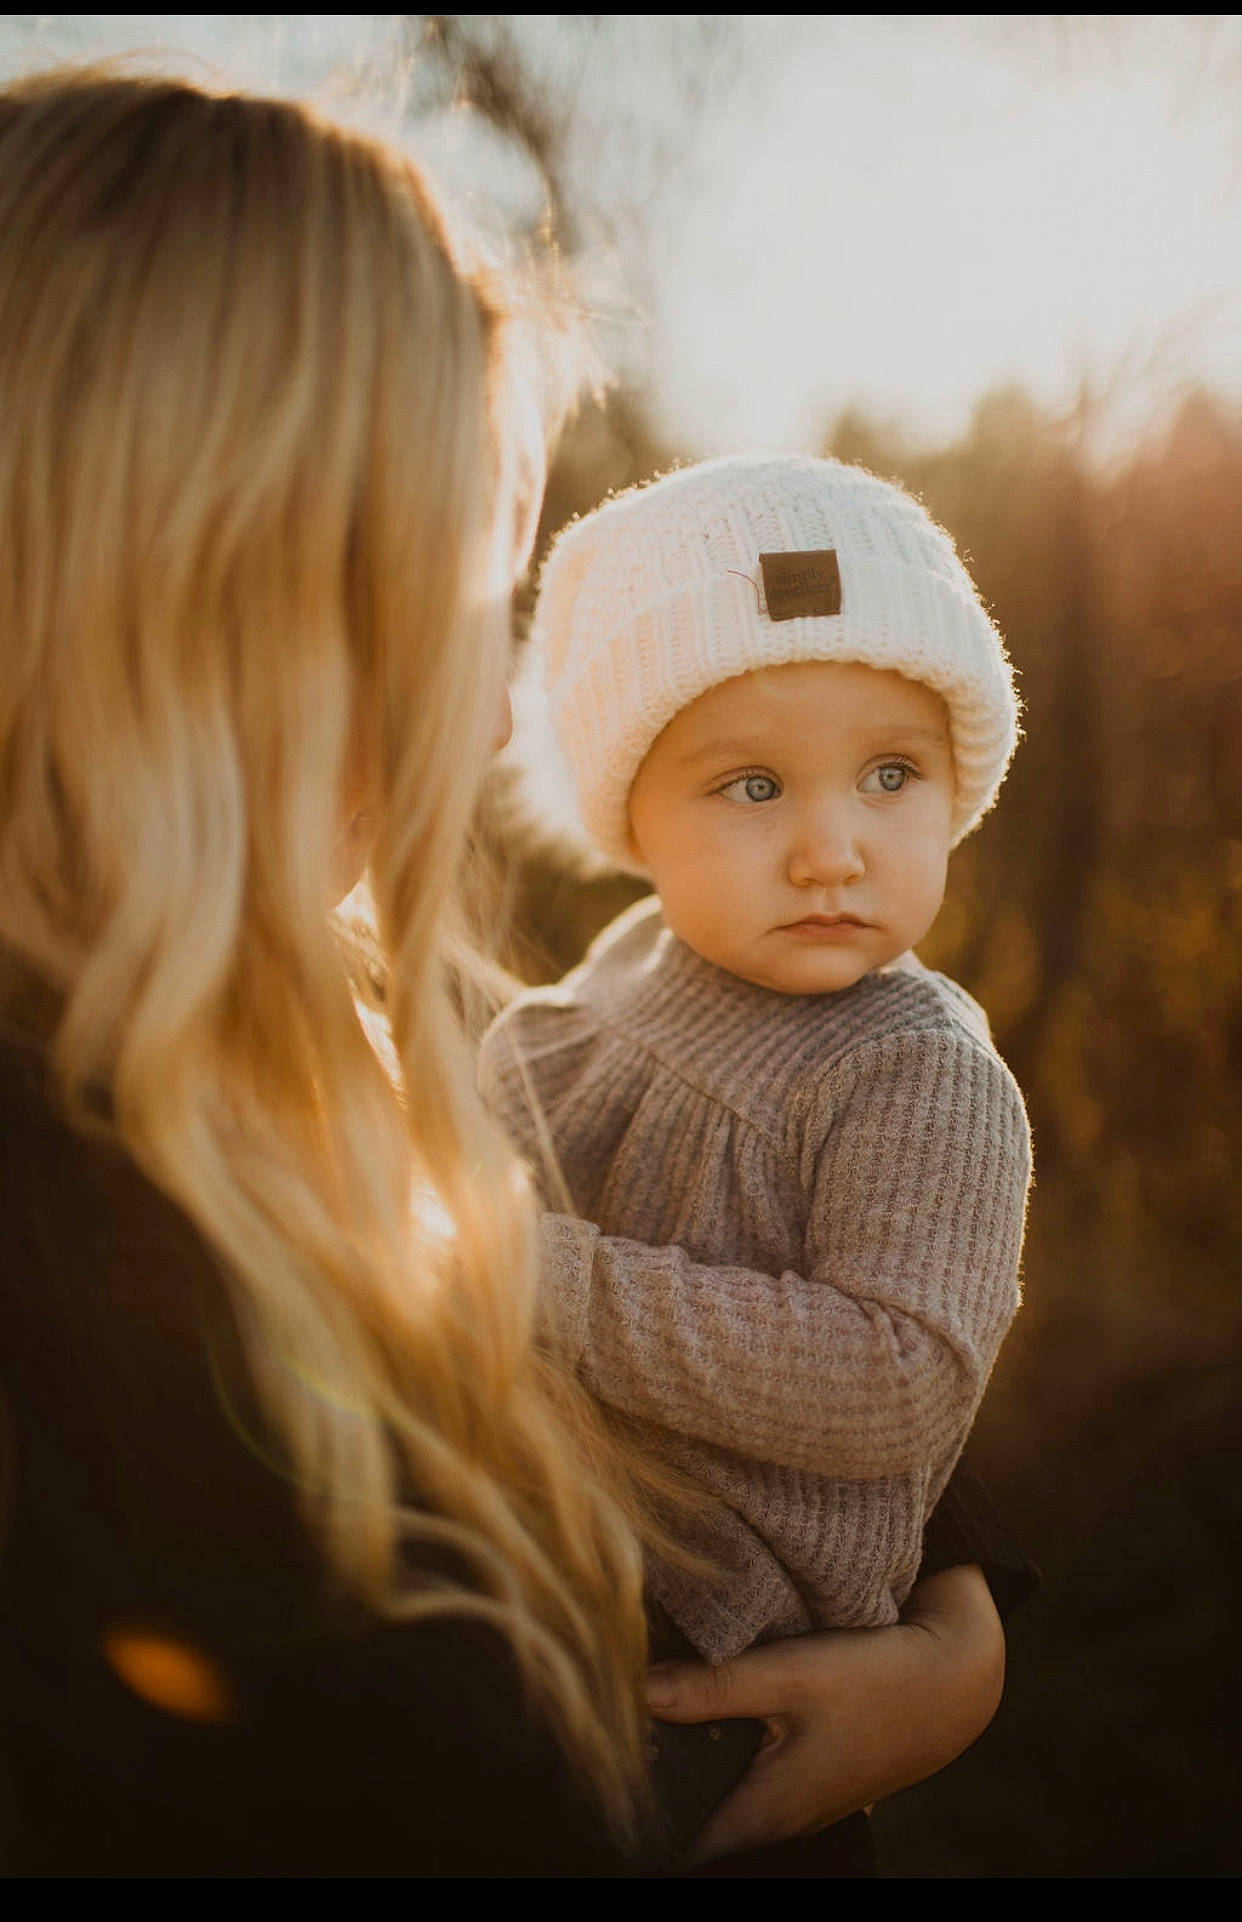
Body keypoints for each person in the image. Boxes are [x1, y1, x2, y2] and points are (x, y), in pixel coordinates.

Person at [0, 68, 1024, 1880]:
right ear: (209, 591)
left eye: (888, 774)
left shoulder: (256, 1070)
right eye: (458, 606)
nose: (486, 712)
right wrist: (796, 1766)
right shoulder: (99, 1266)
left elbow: (857, 1339)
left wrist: (951, 1615)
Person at [480, 457, 1034, 1851]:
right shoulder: (622, 973)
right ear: (635, 822)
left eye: (890, 774)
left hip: (719, 1640)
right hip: (560, 1538)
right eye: (751, 785)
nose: (830, 849)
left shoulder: (914, 1068)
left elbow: (900, 1377)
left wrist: (539, 1281)